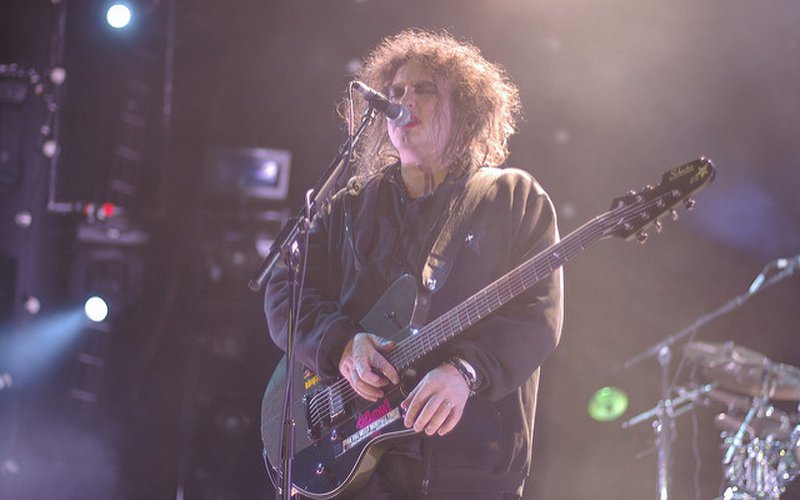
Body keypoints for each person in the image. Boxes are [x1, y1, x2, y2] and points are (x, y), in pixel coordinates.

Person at [265, 29, 563, 499]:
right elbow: (285, 290)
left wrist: (466, 371)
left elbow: (537, 314)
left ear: (465, 109)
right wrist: (342, 345)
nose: (404, 100)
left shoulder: (512, 197)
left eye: (425, 89)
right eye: (396, 90)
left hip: (464, 467)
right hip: (357, 469)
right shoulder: (349, 205)